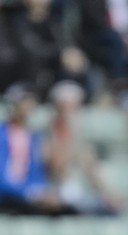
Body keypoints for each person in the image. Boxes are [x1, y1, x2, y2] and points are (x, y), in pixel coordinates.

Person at [44, 81, 122, 215]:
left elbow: (91, 168)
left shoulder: (77, 136)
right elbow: (57, 168)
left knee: (114, 209)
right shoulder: (48, 135)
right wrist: (72, 138)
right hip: (56, 190)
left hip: (75, 191)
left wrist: (107, 194)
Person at [0, 84, 77, 216]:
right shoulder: (3, 135)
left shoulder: (34, 138)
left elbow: (38, 173)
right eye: (23, 103)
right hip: (9, 195)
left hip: (28, 195)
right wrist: (31, 193)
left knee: (71, 210)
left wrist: (43, 192)